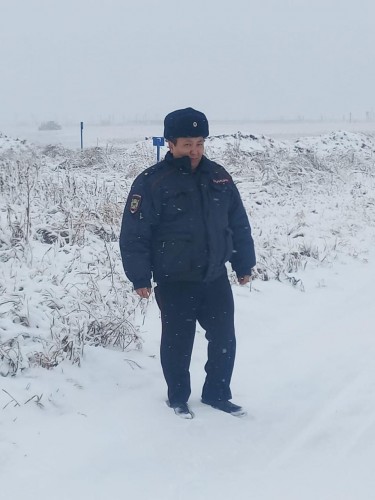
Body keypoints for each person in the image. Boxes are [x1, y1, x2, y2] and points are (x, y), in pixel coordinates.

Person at [119, 107, 256, 419]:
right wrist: (139, 277)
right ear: (170, 144)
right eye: (187, 145)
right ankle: (178, 397)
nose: (194, 151)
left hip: (214, 276)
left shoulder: (219, 177)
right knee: (177, 344)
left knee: (224, 339)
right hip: (174, 278)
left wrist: (243, 263)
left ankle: (217, 394)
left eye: (199, 143)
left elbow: (237, 222)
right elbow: (134, 233)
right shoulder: (152, 182)